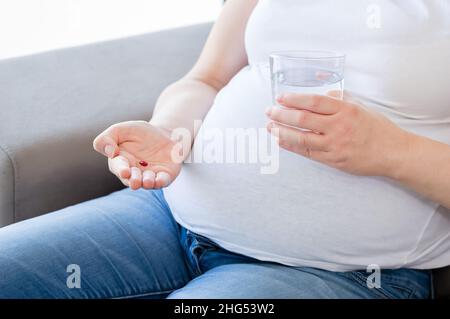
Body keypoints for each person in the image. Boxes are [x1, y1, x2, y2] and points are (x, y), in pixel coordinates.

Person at [0, 0, 449, 299]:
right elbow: (207, 79)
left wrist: (393, 151)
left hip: (342, 271)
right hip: (168, 213)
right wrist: (169, 132)